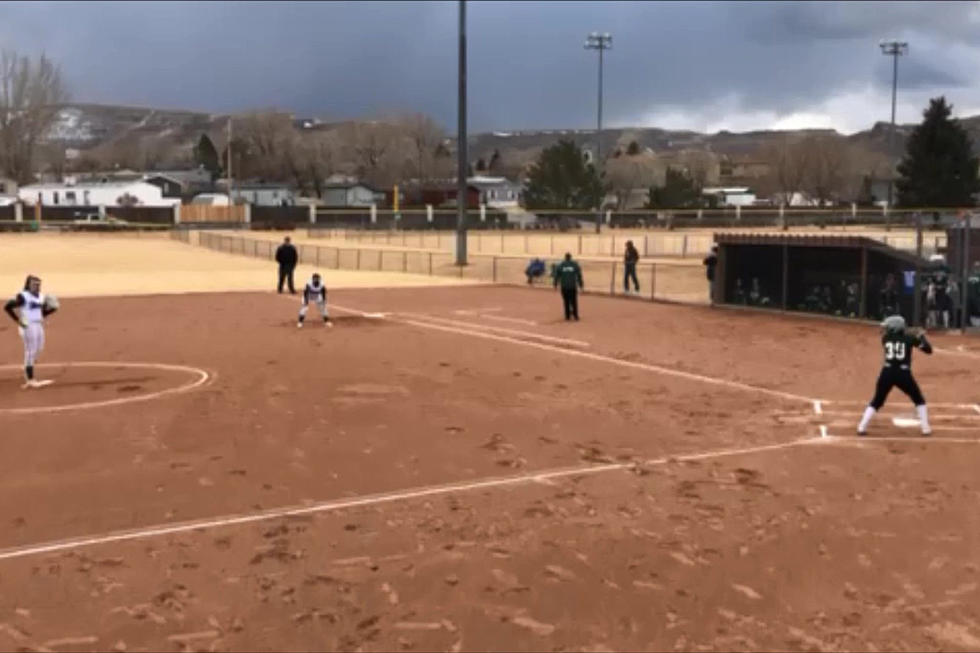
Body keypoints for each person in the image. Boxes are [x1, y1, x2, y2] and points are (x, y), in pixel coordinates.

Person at [857, 315, 932, 436]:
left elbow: (899, 338)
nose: (885, 329)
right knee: (919, 399)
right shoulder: (910, 338)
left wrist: (911, 336)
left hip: (887, 372)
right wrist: (921, 336)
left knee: (877, 400)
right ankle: (926, 428)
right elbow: (929, 350)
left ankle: (861, 427)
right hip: (903, 374)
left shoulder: (885, 338)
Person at [4, 275, 58, 389]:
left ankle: (27, 367)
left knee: (40, 348)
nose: (37, 286)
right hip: (27, 325)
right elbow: (7, 307)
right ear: (28, 285)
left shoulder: (41, 297)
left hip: (38, 324)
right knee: (30, 351)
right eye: (34, 284)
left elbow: (40, 313)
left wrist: (52, 309)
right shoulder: (23, 296)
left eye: (38, 284)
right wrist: (18, 320)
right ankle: (30, 379)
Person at [553, 252, 584, 321]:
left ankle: (567, 316)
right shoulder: (575, 265)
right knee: (574, 301)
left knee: (566, 301)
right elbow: (579, 275)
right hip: (572, 286)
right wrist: (581, 285)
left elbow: (556, 276)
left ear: (565, 257)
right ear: (570, 257)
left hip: (564, 286)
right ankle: (575, 316)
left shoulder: (561, 265)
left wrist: (555, 284)